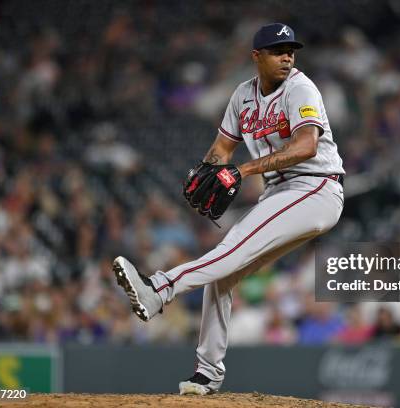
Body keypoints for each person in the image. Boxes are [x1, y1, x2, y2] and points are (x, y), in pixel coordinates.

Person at [113, 23, 345, 395]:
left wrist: (242, 169)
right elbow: (222, 149)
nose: (287, 56)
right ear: (257, 56)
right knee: (225, 273)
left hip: (316, 187)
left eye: (291, 50)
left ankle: (159, 289)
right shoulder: (242, 96)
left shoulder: (300, 87)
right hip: (281, 193)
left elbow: (306, 148)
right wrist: (208, 169)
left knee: (230, 249)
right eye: (277, 50)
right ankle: (207, 373)